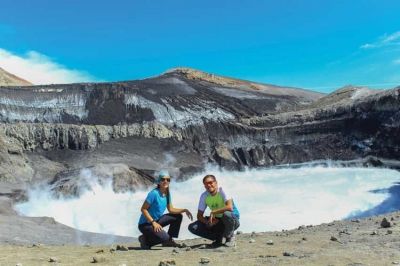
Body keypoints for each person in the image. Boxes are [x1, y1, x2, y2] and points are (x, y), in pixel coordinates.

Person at [138, 170, 193, 249]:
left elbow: (171, 209)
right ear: (159, 182)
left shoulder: (167, 194)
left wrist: (184, 210)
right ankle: (145, 240)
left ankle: (169, 240)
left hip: (156, 220)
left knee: (178, 216)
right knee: (164, 238)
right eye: (163, 179)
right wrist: (153, 223)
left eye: (168, 180)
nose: (165, 181)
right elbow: (143, 209)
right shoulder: (153, 194)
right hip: (145, 224)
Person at [188, 174, 240, 247]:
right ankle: (219, 238)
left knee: (226, 214)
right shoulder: (204, 196)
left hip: (232, 220)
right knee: (193, 227)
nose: (208, 185)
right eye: (206, 184)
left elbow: (229, 207)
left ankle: (229, 237)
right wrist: (208, 222)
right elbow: (199, 215)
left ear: (216, 182)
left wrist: (214, 212)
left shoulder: (222, 190)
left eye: (210, 182)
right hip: (217, 221)